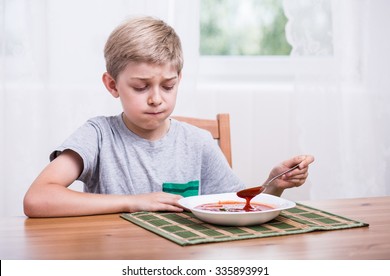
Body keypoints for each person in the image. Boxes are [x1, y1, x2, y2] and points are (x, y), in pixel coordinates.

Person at [23, 16, 314, 218]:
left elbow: (238, 206)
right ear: (112, 85)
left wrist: (274, 183)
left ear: (179, 79)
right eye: (140, 86)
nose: (156, 98)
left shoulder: (197, 142)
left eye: (168, 85)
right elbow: (37, 199)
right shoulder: (98, 135)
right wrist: (133, 202)